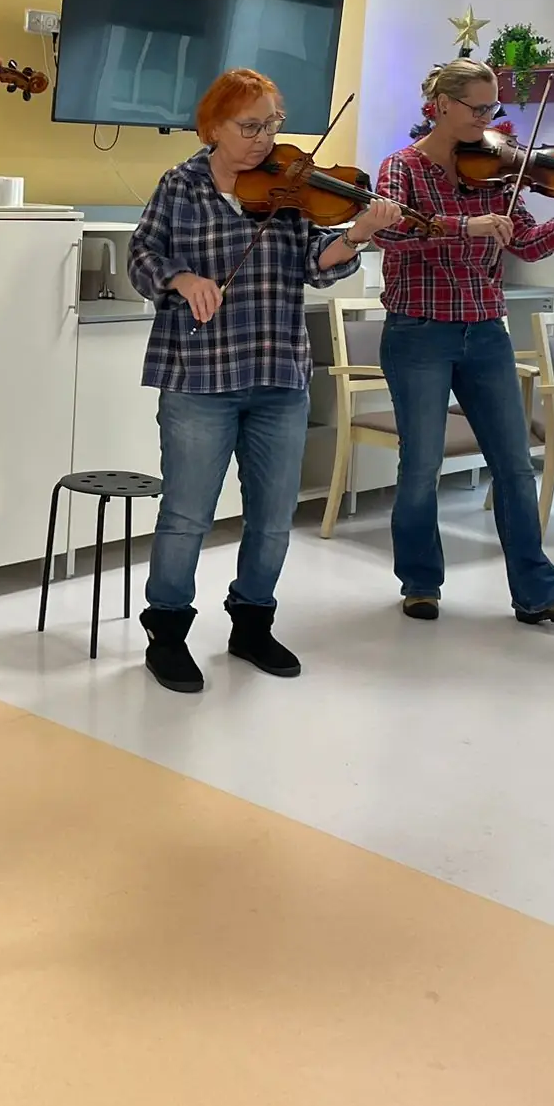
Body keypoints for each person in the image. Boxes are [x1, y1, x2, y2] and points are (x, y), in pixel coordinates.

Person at [126, 68, 400, 692]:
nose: (264, 140)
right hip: (198, 376)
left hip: (278, 370)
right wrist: (181, 279)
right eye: (250, 127)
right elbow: (142, 256)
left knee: (273, 517)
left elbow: (314, 264)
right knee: (187, 516)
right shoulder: (181, 184)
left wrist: (357, 235)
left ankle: (251, 625)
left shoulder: (291, 185)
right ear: (214, 126)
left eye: (272, 125)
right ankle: (167, 634)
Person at [371, 59, 554, 626]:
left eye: (494, 107)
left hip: (487, 330)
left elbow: (529, 244)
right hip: (419, 331)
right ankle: (420, 583)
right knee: (421, 464)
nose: (488, 118)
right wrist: (466, 226)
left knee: (514, 464)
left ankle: (538, 593)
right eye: (478, 107)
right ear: (442, 105)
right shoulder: (402, 168)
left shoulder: (497, 172)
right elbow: (390, 232)